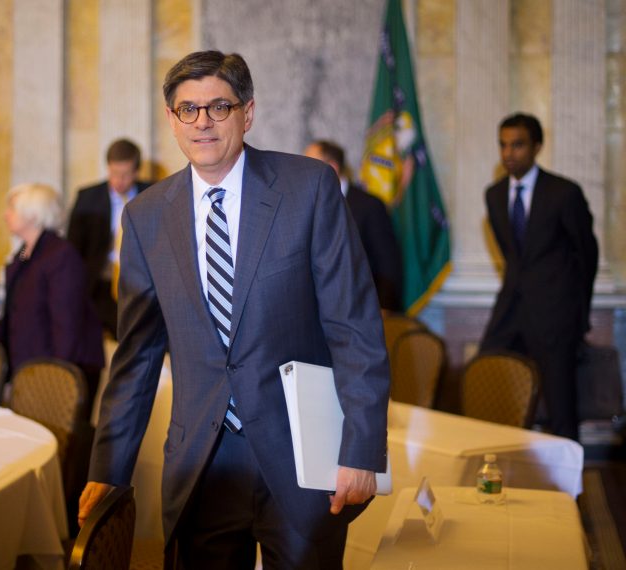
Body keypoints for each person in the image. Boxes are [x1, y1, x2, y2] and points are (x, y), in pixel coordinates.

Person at [80, 50, 389, 568]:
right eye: (188, 109)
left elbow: (354, 328)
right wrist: (109, 466)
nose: (202, 121)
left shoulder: (308, 188)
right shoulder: (145, 217)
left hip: (301, 460)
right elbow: (137, 355)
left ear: (247, 113)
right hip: (201, 466)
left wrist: (361, 451)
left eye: (218, 107)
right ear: (172, 120)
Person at [481, 113, 598, 440]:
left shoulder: (564, 193)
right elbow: (512, 256)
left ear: (536, 146)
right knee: (487, 380)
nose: (508, 153)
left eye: (517, 145)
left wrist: (578, 316)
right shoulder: (493, 194)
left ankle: (569, 489)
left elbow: (586, 256)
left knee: (561, 411)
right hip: (510, 313)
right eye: (503, 145)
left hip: (555, 318)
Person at [0, 183, 105, 417]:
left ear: (32, 214)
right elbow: (19, 309)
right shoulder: (24, 252)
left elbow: (66, 324)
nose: (5, 215)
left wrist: (57, 376)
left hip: (63, 370)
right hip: (35, 366)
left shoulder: (61, 254)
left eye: (11, 208)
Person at [304, 140, 403, 312]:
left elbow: (387, 263)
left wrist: (384, 309)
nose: (303, 172)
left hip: (361, 310)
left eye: (310, 166)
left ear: (332, 168)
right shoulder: (304, 204)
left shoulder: (369, 205)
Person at [67, 139, 152, 337]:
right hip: (99, 284)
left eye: (125, 174)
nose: (118, 181)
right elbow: (73, 248)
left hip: (138, 284)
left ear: (137, 171)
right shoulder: (87, 197)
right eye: (113, 173)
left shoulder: (151, 194)